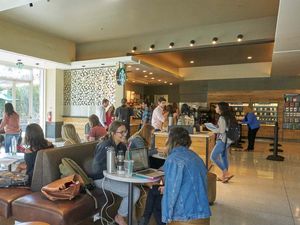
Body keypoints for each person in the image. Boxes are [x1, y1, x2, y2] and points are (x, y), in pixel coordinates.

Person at [92, 121, 140, 225]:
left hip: (113, 177)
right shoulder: (105, 146)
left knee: (134, 189)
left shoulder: (121, 146)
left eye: (125, 132)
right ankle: (120, 216)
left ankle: (132, 221)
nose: (124, 134)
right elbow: (95, 169)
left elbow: (121, 164)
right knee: (134, 192)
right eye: (121, 132)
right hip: (101, 179)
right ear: (113, 133)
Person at [161, 127, 211, 225]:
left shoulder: (173, 159)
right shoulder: (196, 157)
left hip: (184, 215)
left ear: (172, 140)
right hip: (204, 213)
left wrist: (166, 218)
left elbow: (172, 192)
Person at [208, 102, 235, 183]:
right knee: (223, 157)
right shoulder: (229, 117)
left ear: (220, 108)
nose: (215, 108)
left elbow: (221, 130)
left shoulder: (222, 118)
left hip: (223, 140)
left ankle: (226, 173)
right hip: (228, 140)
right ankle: (225, 176)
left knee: (213, 157)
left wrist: (212, 128)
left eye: (216, 107)